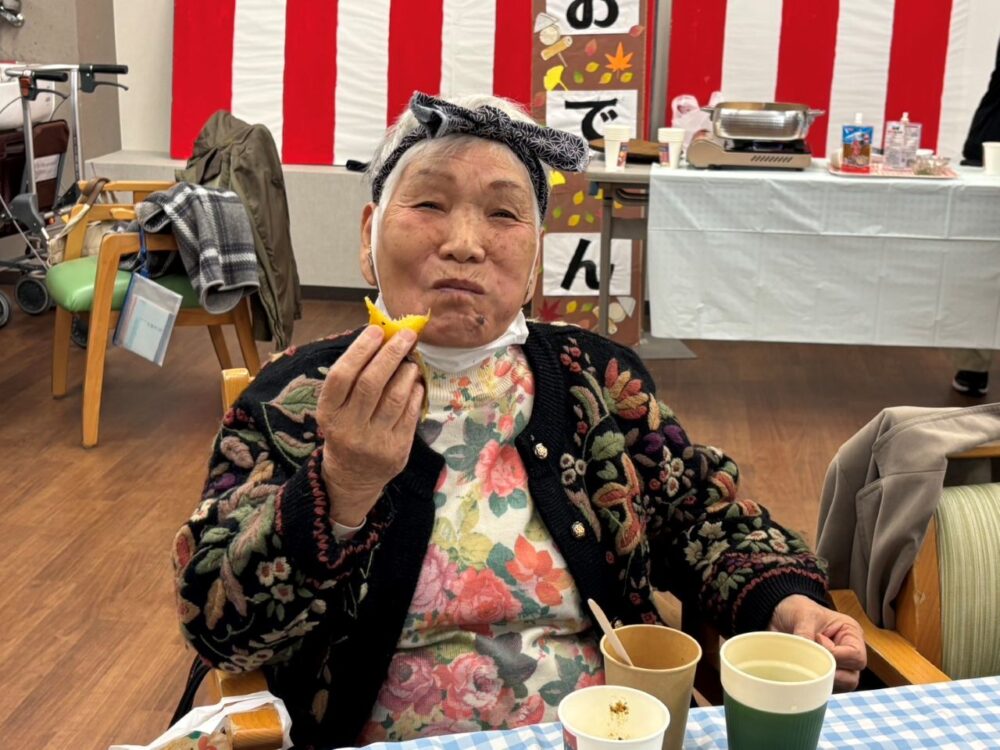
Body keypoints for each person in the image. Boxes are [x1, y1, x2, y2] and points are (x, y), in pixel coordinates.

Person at [172, 92, 866, 749]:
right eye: (429, 204)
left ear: (535, 261)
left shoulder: (597, 381)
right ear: (368, 234)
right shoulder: (294, 395)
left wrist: (785, 600)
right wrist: (340, 487)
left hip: (603, 731)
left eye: (504, 216)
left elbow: (708, 518)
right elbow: (219, 628)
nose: (466, 244)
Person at [951, 35, 1000, 397]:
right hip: (993, 148)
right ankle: (974, 364)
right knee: (987, 258)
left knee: (987, 260)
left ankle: (974, 366)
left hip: (991, 143)